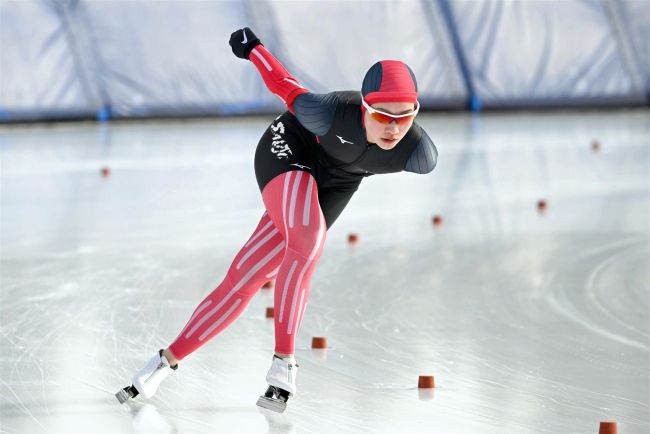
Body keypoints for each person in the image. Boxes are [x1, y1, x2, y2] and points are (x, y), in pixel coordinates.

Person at [116, 27, 438, 413]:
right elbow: (283, 83)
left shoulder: (418, 153)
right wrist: (253, 49)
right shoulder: (329, 112)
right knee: (307, 237)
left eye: (405, 117)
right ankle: (283, 363)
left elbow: (395, 141)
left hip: (337, 183)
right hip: (289, 151)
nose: (393, 127)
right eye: (383, 114)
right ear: (365, 107)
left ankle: (163, 362)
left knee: (250, 273)